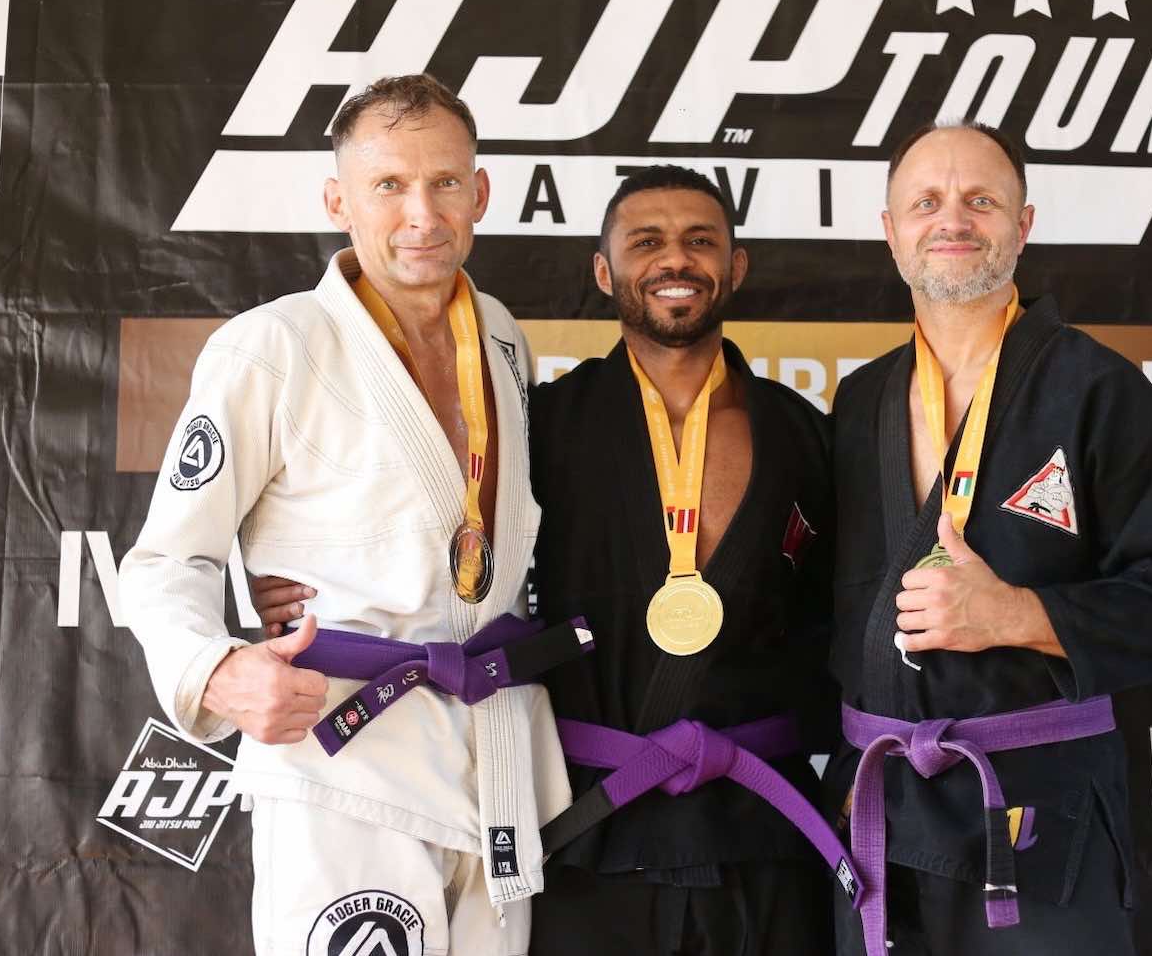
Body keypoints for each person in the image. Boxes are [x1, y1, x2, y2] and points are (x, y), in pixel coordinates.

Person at [258, 165, 850, 954]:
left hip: (765, 831)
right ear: (603, 271)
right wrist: (291, 581)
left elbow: (850, 613)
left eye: (700, 241)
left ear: (735, 266)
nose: (675, 259)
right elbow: (428, 544)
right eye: (646, 242)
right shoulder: (537, 425)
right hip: (588, 826)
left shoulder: (804, 433)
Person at [121, 74, 589, 956]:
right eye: (388, 185)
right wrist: (215, 669)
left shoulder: (500, 336)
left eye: (445, 182)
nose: (422, 213)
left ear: (480, 191)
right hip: (345, 755)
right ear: (338, 201)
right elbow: (163, 561)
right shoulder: (272, 346)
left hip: (492, 754)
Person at [823, 122, 1152, 956]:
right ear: (890, 232)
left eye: (980, 200)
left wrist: (1016, 614)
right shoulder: (861, 400)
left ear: (1023, 225)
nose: (952, 219)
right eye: (925, 202)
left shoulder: (1096, 388)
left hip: (1039, 824)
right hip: (880, 823)